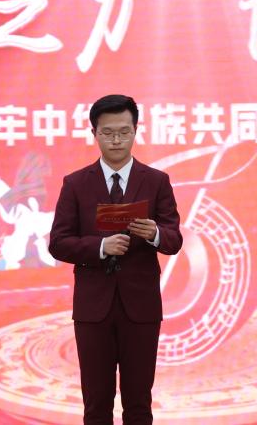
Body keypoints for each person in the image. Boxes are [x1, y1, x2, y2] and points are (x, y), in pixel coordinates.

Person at [48, 94, 183, 425]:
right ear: (94, 133)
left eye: (124, 131)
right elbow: (58, 243)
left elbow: (174, 239)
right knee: (96, 405)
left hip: (141, 308)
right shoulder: (76, 184)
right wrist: (100, 247)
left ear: (135, 131)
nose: (116, 140)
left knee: (138, 405)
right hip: (93, 309)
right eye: (107, 133)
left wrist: (154, 233)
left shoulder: (156, 181)